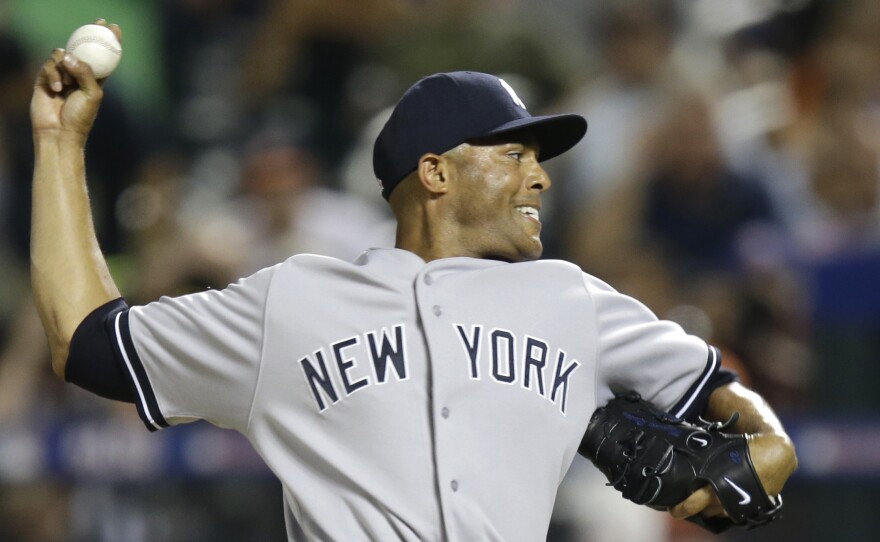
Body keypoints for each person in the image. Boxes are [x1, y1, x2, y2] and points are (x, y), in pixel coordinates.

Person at [31, 21, 796, 541]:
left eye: (540, 160)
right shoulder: (294, 301)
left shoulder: (573, 299)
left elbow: (733, 403)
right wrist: (60, 146)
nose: (540, 179)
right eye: (514, 155)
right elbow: (87, 339)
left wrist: (763, 451)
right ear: (434, 172)